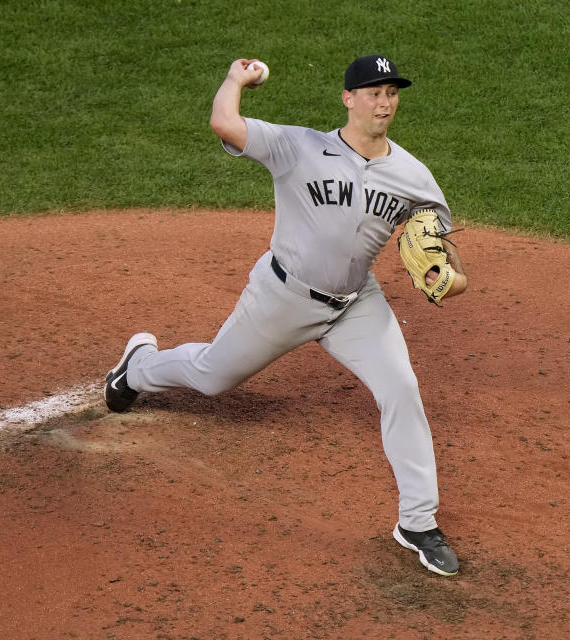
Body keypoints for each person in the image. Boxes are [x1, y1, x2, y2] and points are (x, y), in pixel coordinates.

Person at [103, 55, 468, 576]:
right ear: (348, 98)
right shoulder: (299, 146)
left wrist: (449, 279)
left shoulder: (414, 176)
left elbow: (444, 250)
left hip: (356, 305)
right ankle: (136, 368)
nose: (384, 102)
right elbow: (224, 124)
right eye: (372, 92)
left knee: (401, 389)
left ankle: (417, 521)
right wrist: (236, 80)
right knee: (212, 376)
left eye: (391, 93)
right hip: (283, 296)